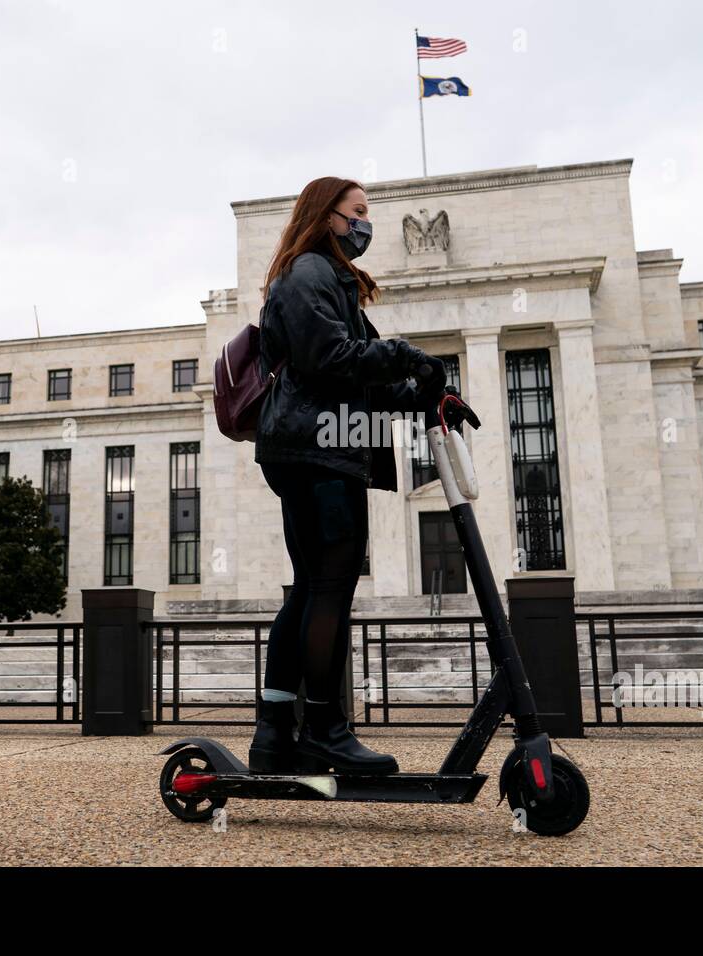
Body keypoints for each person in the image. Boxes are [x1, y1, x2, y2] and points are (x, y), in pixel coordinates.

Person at [248, 176, 447, 775]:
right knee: (330, 588)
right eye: (358, 212)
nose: (366, 223)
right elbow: (329, 360)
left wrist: (430, 397)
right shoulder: (309, 271)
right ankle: (326, 730)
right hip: (319, 451)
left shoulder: (323, 279)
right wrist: (409, 354)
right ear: (327, 215)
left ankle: (276, 733)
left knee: (310, 589)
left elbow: (362, 379)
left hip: (315, 447)